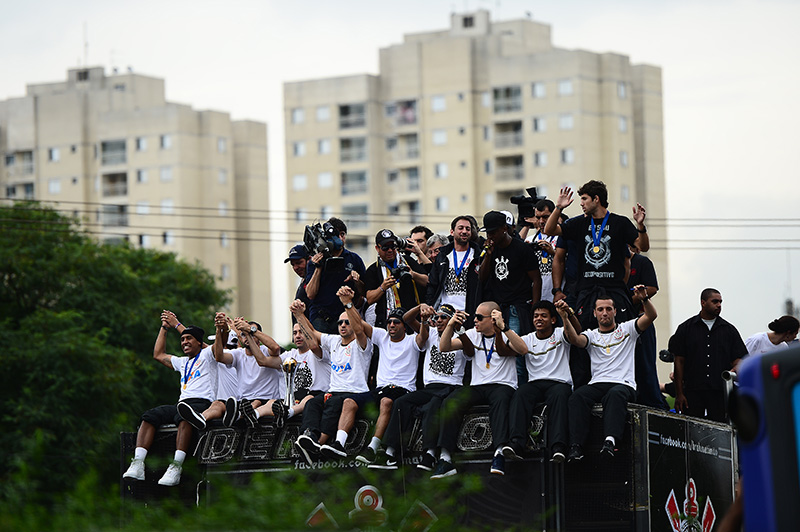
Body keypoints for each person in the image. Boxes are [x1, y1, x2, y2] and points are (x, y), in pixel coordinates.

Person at [544, 181, 648, 388]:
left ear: (596, 199)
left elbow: (642, 247)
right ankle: (584, 387)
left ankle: (625, 385)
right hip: (586, 292)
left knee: (622, 339)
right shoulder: (579, 223)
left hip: (615, 292)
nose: (581, 203)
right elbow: (549, 230)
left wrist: (640, 226)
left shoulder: (619, 222)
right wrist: (559, 207)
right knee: (583, 341)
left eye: (584, 199)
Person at [561, 285, 657, 460]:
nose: (604, 313)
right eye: (600, 309)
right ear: (594, 313)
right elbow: (575, 340)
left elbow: (651, 316)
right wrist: (564, 317)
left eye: (608, 309)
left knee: (615, 394)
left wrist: (644, 299)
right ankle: (576, 446)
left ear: (615, 312)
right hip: (598, 383)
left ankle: (610, 441)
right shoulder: (591, 335)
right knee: (578, 396)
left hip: (623, 384)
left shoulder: (627, 329)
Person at [368, 303, 467, 470]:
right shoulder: (430, 334)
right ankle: (390, 453)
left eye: (444, 317)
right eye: (437, 317)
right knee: (401, 402)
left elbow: (469, 351)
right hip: (430, 387)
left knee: (433, 406)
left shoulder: (462, 337)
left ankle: (431, 454)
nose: (439, 320)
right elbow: (407, 318)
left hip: (451, 386)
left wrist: (455, 326)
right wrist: (421, 308)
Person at [123, 316, 218, 486]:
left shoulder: (208, 355)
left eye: (189, 339)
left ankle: (176, 467)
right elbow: (158, 355)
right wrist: (165, 328)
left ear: (199, 342)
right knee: (150, 416)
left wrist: (178, 325)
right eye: (182, 340)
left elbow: (213, 347)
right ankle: (138, 463)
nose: (184, 342)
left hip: (202, 403)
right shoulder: (182, 362)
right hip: (182, 403)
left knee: (184, 416)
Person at [430, 301, 517, 478]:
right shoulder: (472, 334)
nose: (475, 321)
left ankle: (499, 452)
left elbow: (522, 350)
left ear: (492, 319)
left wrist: (503, 327)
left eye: (478, 317)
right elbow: (444, 347)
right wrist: (452, 324)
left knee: (501, 400)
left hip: (503, 384)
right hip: (478, 386)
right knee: (451, 401)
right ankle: (445, 458)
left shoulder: (507, 334)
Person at [293, 287, 374, 465]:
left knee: (333, 402)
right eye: (340, 323)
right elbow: (313, 335)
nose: (343, 325)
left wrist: (347, 304)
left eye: (346, 322)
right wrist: (299, 316)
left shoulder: (363, 344)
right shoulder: (334, 341)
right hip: (334, 390)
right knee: (313, 402)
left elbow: (360, 329)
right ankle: (310, 436)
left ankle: (318, 444)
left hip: (355, 391)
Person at [499, 300, 579, 463]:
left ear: (553, 320)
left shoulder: (559, 333)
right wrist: (499, 329)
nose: (539, 319)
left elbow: (576, 332)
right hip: (535, 383)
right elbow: (503, 350)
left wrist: (567, 315)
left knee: (560, 395)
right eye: (536, 316)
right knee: (520, 393)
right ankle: (516, 443)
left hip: (559, 382)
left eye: (544, 316)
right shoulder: (527, 339)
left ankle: (559, 447)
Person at [353, 304, 428, 465]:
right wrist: (348, 304)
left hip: (403, 390)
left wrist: (421, 312)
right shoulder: (382, 336)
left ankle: (372, 448)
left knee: (386, 402)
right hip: (381, 389)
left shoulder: (412, 340)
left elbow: (423, 338)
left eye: (396, 322)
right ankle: (337, 444)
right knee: (348, 401)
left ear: (404, 326)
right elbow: (358, 323)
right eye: (389, 322)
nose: (392, 325)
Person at [478, 210, 541, 383]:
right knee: (499, 349)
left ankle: (521, 387)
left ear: (505, 228)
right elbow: (482, 278)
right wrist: (488, 257)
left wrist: (534, 307)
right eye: (488, 233)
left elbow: (536, 279)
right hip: (498, 308)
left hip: (517, 306)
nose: (490, 236)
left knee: (515, 349)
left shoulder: (521, 249)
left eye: (493, 232)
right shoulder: (491, 250)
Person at [669, 288, 748, 422]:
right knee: (692, 431)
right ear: (703, 303)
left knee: (720, 430)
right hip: (692, 391)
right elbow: (679, 361)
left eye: (720, 302)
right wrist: (679, 393)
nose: (719, 305)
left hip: (719, 393)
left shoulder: (729, 330)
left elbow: (739, 358)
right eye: (715, 301)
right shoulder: (686, 328)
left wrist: (737, 368)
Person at [198, 315, 287, 429]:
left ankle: (239, 416)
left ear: (258, 336)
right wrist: (219, 330)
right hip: (243, 402)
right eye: (244, 335)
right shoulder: (238, 353)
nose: (247, 337)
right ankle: (201, 418)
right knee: (218, 403)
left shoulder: (266, 352)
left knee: (257, 402)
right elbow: (219, 357)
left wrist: (250, 330)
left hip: (265, 401)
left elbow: (275, 348)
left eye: (251, 334)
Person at [256, 311, 329, 423]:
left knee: (309, 399)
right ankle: (252, 415)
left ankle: (288, 413)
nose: (298, 336)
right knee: (271, 402)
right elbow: (263, 361)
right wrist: (250, 334)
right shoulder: (290, 355)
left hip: (314, 399)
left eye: (301, 332)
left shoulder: (318, 351)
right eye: (295, 333)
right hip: (292, 401)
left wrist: (299, 315)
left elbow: (314, 345)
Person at [305, 218, 366, 334]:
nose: (340, 238)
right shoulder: (316, 259)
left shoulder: (354, 259)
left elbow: (364, 293)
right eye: (336, 234)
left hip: (345, 317)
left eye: (342, 234)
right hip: (321, 317)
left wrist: (357, 281)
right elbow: (310, 294)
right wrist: (319, 267)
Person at [627, 244, 668, 409]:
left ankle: (654, 404)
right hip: (617, 324)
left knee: (644, 366)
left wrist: (629, 301)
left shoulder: (642, 262)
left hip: (640, 320)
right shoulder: (611, 263)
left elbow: (652, 288)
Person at [363, 229, 428, 328]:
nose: (390, 250)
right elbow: (369, 299)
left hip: (411, 322)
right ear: (377, 248)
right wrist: (382, 287)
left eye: (392, 247)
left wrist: (413, 274)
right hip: (387, 324)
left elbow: (427, 281)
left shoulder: (407, 261)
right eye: (385, 247)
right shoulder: (373, 270)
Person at [426, 216, 482, 317]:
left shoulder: (478, 256)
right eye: (460, 228)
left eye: (468, 229)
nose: (464, 231)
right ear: (452, 232)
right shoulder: (443, 255)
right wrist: (430, 307)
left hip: (468, 314)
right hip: (444, 314)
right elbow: (433, 285)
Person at [285, 244, 311, 323]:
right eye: (293, 265)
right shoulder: (303, 281)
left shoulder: (314, 280)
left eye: (299, 262)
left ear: (309, 260)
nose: (296, 267)